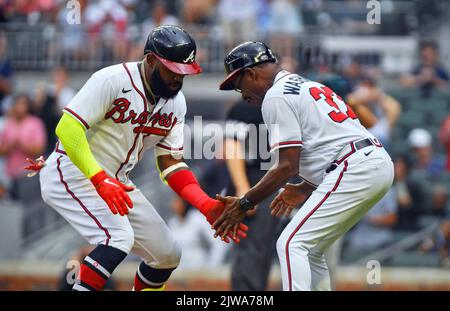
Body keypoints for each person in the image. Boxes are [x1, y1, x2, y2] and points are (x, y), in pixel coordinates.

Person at [25, 26, 247, 291]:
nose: (179, 79)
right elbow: (67, 128)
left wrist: (205, 204)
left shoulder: (176, 103)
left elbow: (171, 162)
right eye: (173, 71)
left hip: (117, 181)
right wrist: (98, 178)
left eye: (184, 72)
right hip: (73, 171)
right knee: (118, 238)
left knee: (167, 254)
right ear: (151, 60)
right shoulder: (112, 79)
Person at [214, 41, 394, 291]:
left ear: (251, 73)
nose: (241, 94)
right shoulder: (306, 84)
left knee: (290, 243)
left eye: (238, 84)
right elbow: (326, 145)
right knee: (310, 250)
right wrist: (306, 187)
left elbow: (287, 166)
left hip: (355, 166)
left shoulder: (275, 96)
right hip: (368, 162)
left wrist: (245, 202)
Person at [224, 99, 282, 290]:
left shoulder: (284, 104)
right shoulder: (248, 106)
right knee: (253, 251)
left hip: (281, 178)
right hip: (254, 179)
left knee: (270, 251)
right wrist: (244, 190)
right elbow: (231, 144)